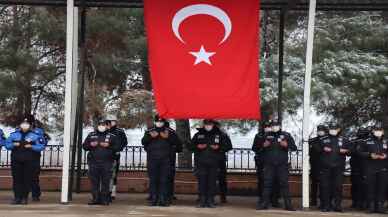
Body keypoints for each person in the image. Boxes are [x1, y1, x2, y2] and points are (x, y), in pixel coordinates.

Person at [190, 119, 232, 208]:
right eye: (206, 124)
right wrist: (197, 146)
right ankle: (202, 201)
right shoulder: (198, 134)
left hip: (214, 162)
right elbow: (190, 146)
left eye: (210, 124)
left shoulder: (221, 135)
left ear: (213, 124)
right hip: (201, 162)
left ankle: (210, 201)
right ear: (204, 124)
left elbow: (228, 146)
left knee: (212, 182)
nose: (208, 126)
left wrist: (219, 148)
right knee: (202, 182)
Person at [256, 120, 297, 211]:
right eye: (273, 125)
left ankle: (288, 205)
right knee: (267, 184)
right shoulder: (265, 135)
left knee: (284, 184)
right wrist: (263, 145)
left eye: (276, 125)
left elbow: (294, 148)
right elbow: (256, 148)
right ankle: (264, 204)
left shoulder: (286, 135)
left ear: (279, 126)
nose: (274, 127)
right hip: (269, 164)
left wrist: (286, 145)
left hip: (282, 165)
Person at [142, 115, 181, 206]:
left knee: (164, 180)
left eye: (161, 121)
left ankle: (163, 199)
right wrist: (150, 137)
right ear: (155, 122)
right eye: (157, 121)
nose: (159, 123)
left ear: (164, 122)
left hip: (165, 160)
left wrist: (168, 138)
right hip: (153, 160)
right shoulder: (150, 131)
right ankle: (154, 199)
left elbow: (178, 144)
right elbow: (144, 142)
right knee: (153, 179)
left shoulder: (170, 132)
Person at [5, 116, 45, 205]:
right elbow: (7, 145)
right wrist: (13, 145)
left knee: (26, 179)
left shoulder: (35, 136)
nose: (25, 125)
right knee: (17, 179)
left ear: (30, 125)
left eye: (26, 124)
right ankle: (17, 198)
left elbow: (41, 146)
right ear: (20, 125)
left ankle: (24, 198)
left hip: (29, 161)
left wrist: (32, 146)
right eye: (23, 124)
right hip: (16, 160)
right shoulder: (13, 135)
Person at [83, 119, 120, 205]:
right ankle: (95, 199)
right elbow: (84, 146)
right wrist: (90, 145)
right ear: (98, 125)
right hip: (93, 162)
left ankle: (104, 199)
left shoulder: (112, 136)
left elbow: (117, 147)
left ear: (106, 126)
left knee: (105, 181)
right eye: (100, 125)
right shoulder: (91, 135)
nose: (101, 126)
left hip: (107, 162)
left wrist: (109, 145)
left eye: (103, 125)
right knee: (94, 181)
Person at [315, 123, 350, 212]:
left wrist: (345, 150)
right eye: (331, 128)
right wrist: (323, 149)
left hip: (338, 168)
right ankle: (326, 206)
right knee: (325, 187)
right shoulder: (323, 139)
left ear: (338, 129)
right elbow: (316, 148)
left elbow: (351, 150)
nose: (333, 130)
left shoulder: (344, 139)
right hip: (325, 167)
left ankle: (337, 206)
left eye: (334, 128)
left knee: (338, 187)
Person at [357, 123, 387, 213]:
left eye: (380, 130)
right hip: (370, 168)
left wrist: (386, 156)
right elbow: (359, 152)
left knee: (381, 188)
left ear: (383, 131)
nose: (378, 132)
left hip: (383, 168)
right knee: (370, 188)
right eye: (376, 130)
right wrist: (370, 155)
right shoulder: (366, 141)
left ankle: (380, 207)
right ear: (373, 131)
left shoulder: (386, 141)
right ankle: (371, 207)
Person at [106, 114, 128, 201]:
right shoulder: (104, 130)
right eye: (110, 121)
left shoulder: (120, 131)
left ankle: (113, 192)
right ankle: (105, 191)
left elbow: (125, 142)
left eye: (113, 121)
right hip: (105, 155)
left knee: (114, 174)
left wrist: (119, 148)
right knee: (105, 174)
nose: (112, 123)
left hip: (115, 155)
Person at [349, 127, 370, 210]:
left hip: (366, 167)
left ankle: (365, 203)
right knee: (355, 185)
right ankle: (355, 202)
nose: (361, 134)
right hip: (355, 167)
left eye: (363, 132)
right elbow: (350, 152)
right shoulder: (354, 141)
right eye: (360, 132)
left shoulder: (369, 141)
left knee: (365, 185)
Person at [252, 120, 272, 206]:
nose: (267, 128)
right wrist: (262, 146)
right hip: (261, 161)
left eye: (269, 126)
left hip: (272, 162)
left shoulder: (275, 135)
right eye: (265, 126)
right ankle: (261, 198)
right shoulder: (258, 136)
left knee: (273, 181)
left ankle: (273, 199)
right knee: (262, 180)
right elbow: (254, 148)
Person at [308, 124, 328, 207]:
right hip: (314, 164)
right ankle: (313, 201)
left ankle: (323, 202)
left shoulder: (327, 140)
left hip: (324, 165)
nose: (320, 131)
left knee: (323, 185)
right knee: (314, 184)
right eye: (319, 130)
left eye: (321, 130)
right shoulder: (312, 140)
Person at [163, 120, 183, 204]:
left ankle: (162, 195)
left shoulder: (171, 133)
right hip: (169, 159)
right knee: (168, 178)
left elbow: (178, 146)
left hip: (166, 159)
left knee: (164, 177)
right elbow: (179, 147)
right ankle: (168, 195)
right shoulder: (173, 132)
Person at [31, 120, 49, 202]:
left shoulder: (39, 132)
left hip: (34, 156)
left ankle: (35, 195)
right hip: (25, 155)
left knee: (34, 177)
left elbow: (43, 143)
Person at [215, 121, 232, 204]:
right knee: (208, 179)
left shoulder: (223, 135)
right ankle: (206, 196)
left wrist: (219, 148)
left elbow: (229, 146)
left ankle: (223, 197)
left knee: (222, 179)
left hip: (220, 160)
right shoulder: (207, 134)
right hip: (209, 159)